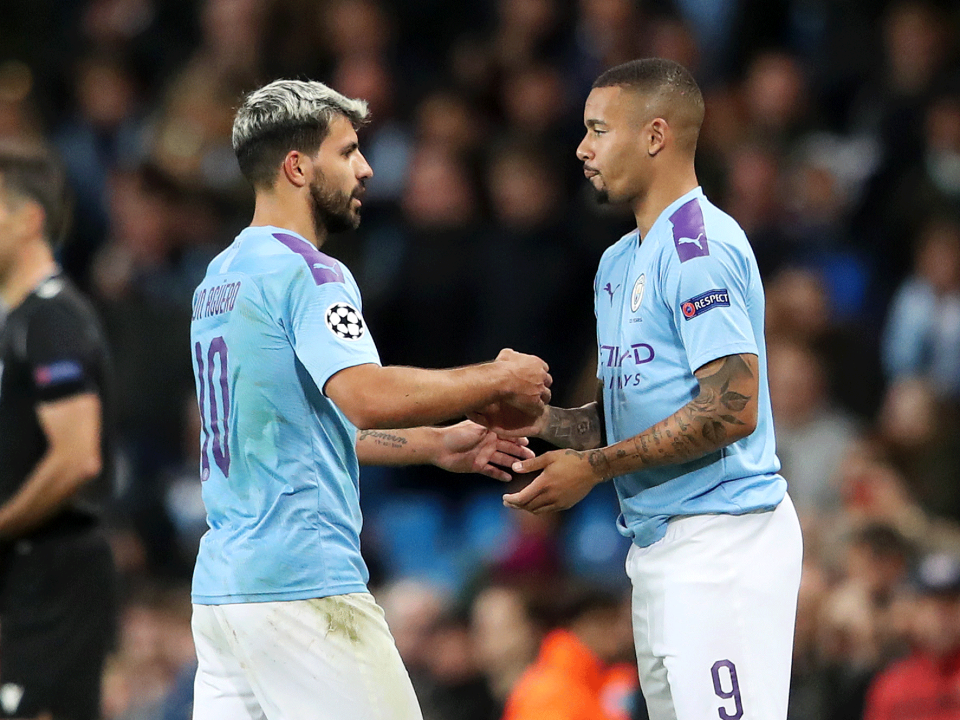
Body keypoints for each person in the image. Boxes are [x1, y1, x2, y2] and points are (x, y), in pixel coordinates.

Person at [188, 79, 552, 720]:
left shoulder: (218, 281)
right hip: (303, 587)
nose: (367, 169)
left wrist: (437, 443)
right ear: (297, 167)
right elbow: (366, 396)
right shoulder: (310, 271)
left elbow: (310, 429)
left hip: (225, 597)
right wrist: (497, 379)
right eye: (349, 151)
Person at [474, 58, 803, 720]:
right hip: (658, 549)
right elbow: (635, 412)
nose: (582, 148)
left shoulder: (698, 248)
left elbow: (731, 409)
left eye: (597, 130)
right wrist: (542, 422)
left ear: (655, 135)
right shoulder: (618, 261)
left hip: (723, 544)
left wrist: (591, 470)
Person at [0, 141, 117, 720]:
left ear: (28, 219)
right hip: (24, 569)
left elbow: (77, 459)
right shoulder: (17, 321)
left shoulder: (52, 319)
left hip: (56, 571)